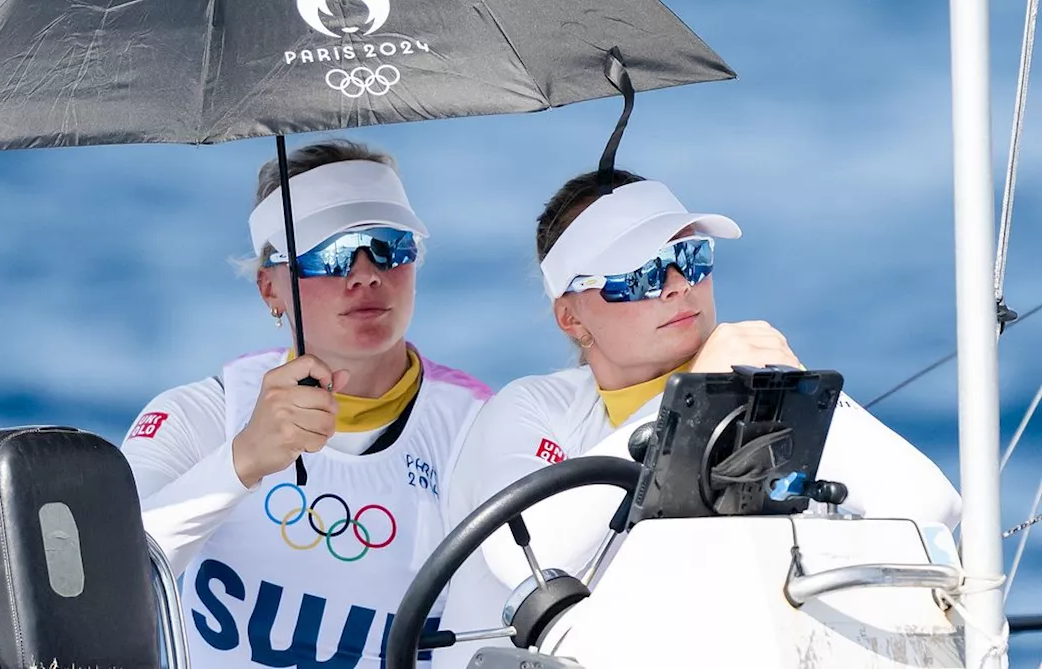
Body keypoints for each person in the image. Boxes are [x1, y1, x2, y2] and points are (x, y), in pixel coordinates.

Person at [430, 168, 962, 669]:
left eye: (691, 256)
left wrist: (798, 393)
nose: (679, 282)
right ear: (571, 316)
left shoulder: (753, 384)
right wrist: (688, 400)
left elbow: (931, 504)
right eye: (638, 275)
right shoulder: (531, 408)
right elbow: (526, 550)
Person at [121, 139, 492, 669]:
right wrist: (243, 460)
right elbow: (105, 585)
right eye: (331, 253)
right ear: (269, 287)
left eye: (390, 246)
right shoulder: (198, 417)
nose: (366, 274)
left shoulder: (480, 426)